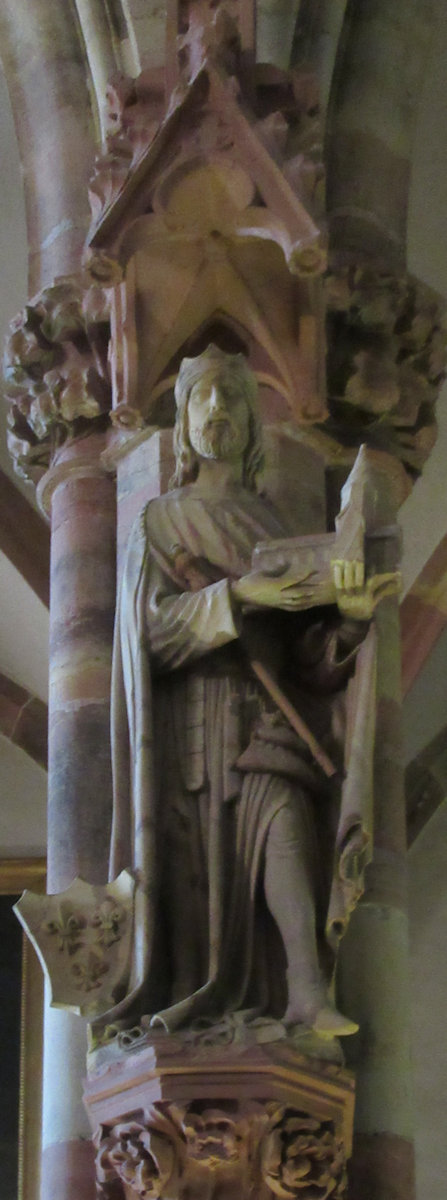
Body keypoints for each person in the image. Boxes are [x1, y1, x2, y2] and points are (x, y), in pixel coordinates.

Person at [110, 345, 381, 1038]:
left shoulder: (275, 529)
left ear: (253, 425)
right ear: (185, 419)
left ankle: (304, 994)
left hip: (268, 714)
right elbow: (151, 637)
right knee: (199, 877)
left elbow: (311, 670)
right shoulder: (159, 522)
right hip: (190, 730)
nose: (219, 409)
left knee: (285, 828)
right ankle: (196, 995)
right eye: (204, 396)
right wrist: (236, 597)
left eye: (233, 397)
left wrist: (347, 624)